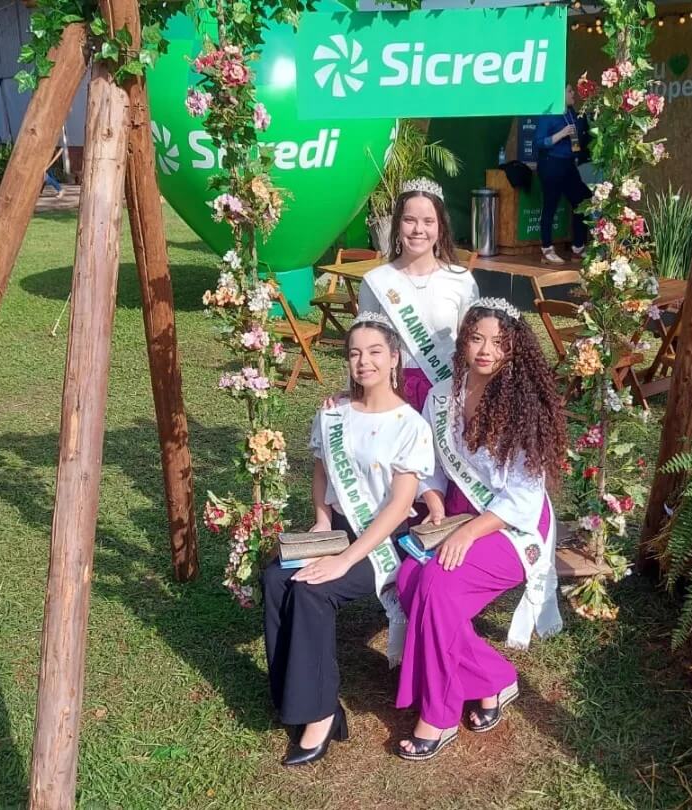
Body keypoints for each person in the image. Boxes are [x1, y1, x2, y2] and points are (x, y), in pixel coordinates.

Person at [394, 298, 567, 761]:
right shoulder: (441, 397)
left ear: (515, 348)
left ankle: (439, 715)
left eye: (498, 342)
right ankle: (493, 678)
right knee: (410, 581)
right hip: (455, 515)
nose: (486, 350)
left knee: (437, 586)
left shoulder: (524, 406)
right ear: (463, 343)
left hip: (511, 527)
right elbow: (431, 466)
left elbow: (524, 499)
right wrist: (433, 501)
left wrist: (469, 533)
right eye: (476, 339)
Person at [262, 312, 435, 766]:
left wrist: (344, 560)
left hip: (383, 539)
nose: (364, 362)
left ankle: (321, 713)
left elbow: (399, 505)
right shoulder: (333, 413)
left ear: (394, 357)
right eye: (355, 353)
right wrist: (321, 522)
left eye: (375, 352)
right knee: (276, 578)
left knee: (313, 591)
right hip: (338, 527)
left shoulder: (410, 425)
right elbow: (321, 471)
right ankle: (291, 696)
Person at [357, 178, 479, 412]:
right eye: (409, 220)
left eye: (428, 221)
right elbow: (362, 346)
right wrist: (354, 396)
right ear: (397, 224)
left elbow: (472, 345)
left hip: (445, 394)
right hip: (391, 393)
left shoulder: (462, 281)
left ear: (440, 227)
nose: (418, 230)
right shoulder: (376, 281)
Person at [532, 83, 591, 265]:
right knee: (551, 204)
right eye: (570, 91)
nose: (573, 94)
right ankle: (547, 249)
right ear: (560, 94)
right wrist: (562, 133)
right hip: (551, 163)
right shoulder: (548, 114)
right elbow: (539, 142)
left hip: (568, 163)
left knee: (582, 200)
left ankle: (578, 247)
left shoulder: (572, 113)